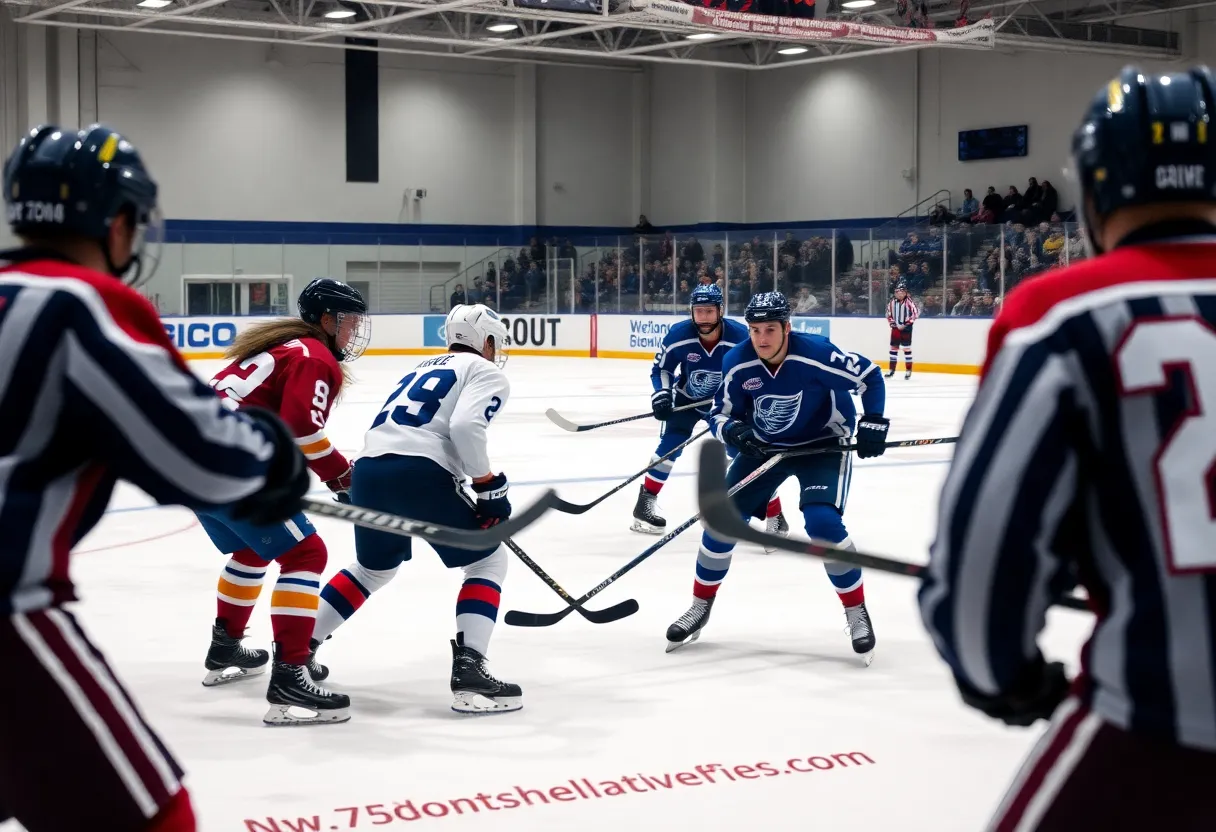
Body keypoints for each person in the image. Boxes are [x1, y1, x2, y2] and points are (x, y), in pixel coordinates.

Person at [919, 65, 1216, 830]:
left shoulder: (1060, 314)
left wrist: (1004, 676)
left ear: (1096, 187)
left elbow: (984, 552)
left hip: (1156, 733)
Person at [0, 124, 309, 831]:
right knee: (156, 816)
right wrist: (273, 458)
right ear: (116, 222)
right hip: (7, 610)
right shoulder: (80, 306)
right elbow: (207, 458)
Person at [313, 303, 522, 714]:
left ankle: (299, 649)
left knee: (372, 568)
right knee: (487, 562)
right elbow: (466, 427)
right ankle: (470, 671)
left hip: (368, 471)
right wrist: (487, 486)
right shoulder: (484, 370)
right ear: (488, 340)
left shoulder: (419, 367)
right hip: (420, 472)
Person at [665, 291, 890, 661]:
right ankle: (699, 606)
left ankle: (856, 610)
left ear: (787, 327)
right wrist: (734, 432)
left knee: (823, 524)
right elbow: (719, 414)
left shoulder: (816, 352)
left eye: (770, 329)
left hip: (822, 445)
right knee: (720, 523)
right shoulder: (738, 361)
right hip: (767, 448)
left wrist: (874, 421)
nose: (762, 338)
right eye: (755, 330)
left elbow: (869, 376)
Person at [198, 277, 369, 726]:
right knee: (307, 552)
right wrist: (340, 474)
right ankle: (291, 675)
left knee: (251, 548)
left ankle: (226, 645)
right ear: (327, 320)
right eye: (349, 322)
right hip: (233, 460)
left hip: (193, 459)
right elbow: (303, 428)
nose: (352, 331)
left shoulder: (283, 347)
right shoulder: (315, 356)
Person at [634, 283, 790, 551]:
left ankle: (775, 516)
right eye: (698, 311)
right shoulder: (678, 335)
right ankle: (645, 501)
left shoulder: (741, 336)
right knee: (669, 447)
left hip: (727, 404)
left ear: (720, 310)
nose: (703, 317)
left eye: (709, 311)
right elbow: (662, 369)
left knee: (746, 455)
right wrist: (661, 394)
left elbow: (758, 371)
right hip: (687, 400)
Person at [885, 282, 918, 379]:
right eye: (898, 292)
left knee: (906, 349)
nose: (900, 294)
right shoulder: (891, 302)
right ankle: (891, 370)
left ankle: (908, 370)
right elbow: (888, 314)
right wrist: (893, 324)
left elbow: (915, 314)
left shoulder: (909, 302)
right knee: (893, 349)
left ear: (905, 293)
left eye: (902, 292)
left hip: (906, 329)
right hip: (895, 329)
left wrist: (906, 324)